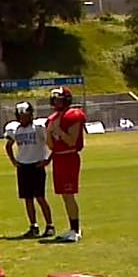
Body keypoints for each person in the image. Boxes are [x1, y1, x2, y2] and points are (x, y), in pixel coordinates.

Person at [4, 102, 55, 238]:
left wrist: (48, 159)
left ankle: (50, 225)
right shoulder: (15, 129)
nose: (23, 119)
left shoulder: (38, 127)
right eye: (21, 116)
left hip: (37, 165)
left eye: (26, 116)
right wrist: (14, 161)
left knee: (40, 197)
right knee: (28, 198)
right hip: (23, 166)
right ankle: (33, 226)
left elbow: (52, 143)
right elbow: (8, 146)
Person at [46, 87, 86, 243]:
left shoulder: (73, 115)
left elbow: (72, 141)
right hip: (58, 158)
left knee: (69, 194)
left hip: (69, 157)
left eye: (59, 100)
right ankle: (72, 227)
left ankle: (76, 230)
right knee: (64, 195)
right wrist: (49, 132)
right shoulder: (52, 118)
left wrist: (58, 130)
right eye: (55, 100)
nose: (57, 103)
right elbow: (50, 145)